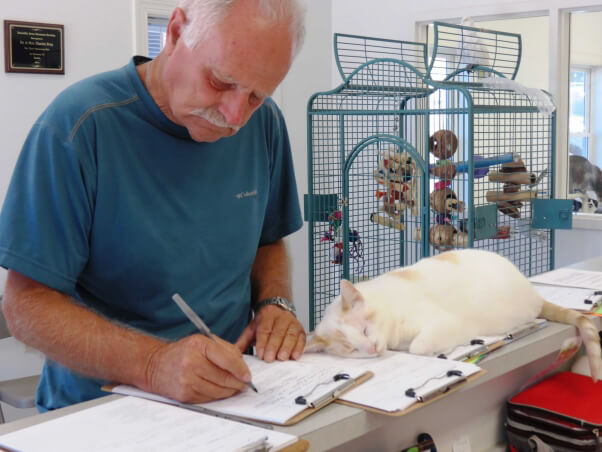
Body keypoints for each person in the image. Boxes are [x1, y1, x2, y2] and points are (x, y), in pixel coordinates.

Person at [0, 0, 307, 411]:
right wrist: (151, 364)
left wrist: (275, 303)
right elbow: (26, 306)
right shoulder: (79, 126)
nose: (235, 117)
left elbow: (268, 241)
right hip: (99, 411)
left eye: (255, 96)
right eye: (220, 82)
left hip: (231, 403)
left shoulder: (264, 124)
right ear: (176, 32)